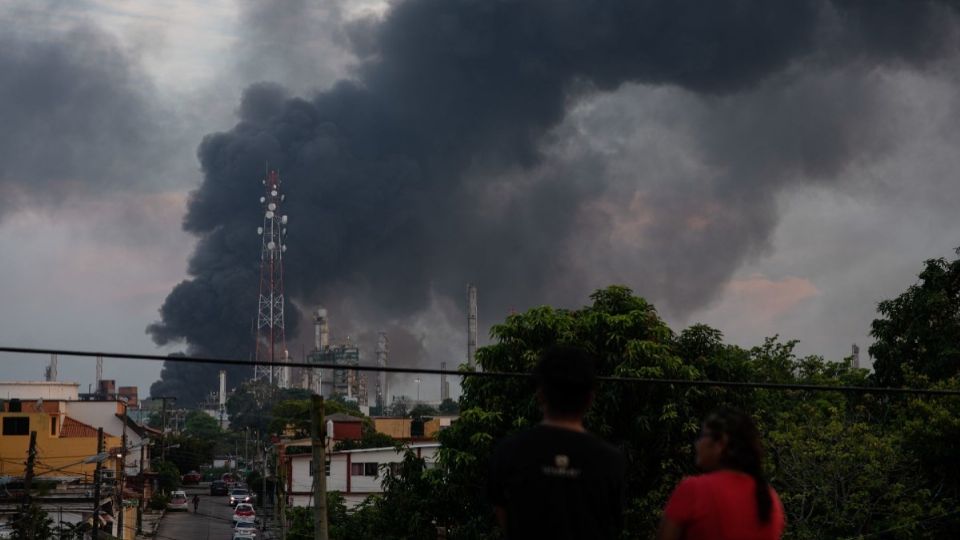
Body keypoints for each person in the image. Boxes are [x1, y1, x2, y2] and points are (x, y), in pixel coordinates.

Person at [487, 344, 626, 539]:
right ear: (590, 398)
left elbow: (504, 519)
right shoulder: (611, 462)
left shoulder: (508, 452)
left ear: (540, 394)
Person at [657, 408, 785, 540]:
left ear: (721, 442)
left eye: (702, 436)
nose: (697, 443)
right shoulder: (769, 498)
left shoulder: (693, 490)